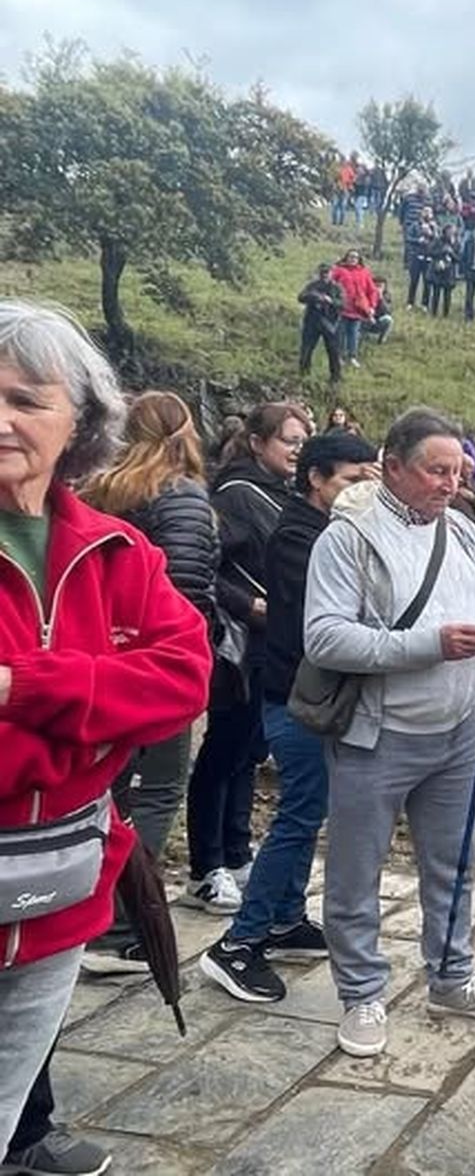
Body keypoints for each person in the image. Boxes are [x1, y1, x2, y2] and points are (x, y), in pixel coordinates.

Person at [0, 300, 211, 1147]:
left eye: (25, 400)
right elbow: (143, 694)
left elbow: (185, 676)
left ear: (79, 421)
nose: (1, 420)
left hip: (60, 893)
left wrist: (22, 689)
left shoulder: (119, 549)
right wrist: (100, 729)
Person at [302, 408, 475, 1059]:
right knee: (355, 870)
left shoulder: (465, 533)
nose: (450, 484)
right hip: (377, 736)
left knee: (452, 866)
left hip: (456, 733)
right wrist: (431, 644)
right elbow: (324, 637)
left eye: (458, 471)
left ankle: (452, 976)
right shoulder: (348, 539)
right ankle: (361, 992)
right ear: (393, 466)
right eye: (436, 470)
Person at [200, 431, 378, 1002]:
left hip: (311, 693)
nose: (362, 492)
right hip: (295, 695)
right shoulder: (301, 536)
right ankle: (239, 943)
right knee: (298, 815)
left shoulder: (323, 527)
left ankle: (284, 917)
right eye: (352, 480)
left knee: (309, 807)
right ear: (316, 478)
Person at [77, 391, 219, 972]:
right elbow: (186, 590)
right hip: (153, 671)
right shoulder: (180, 495)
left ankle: (82, 908)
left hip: (97, 664)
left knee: (104, 793)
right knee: (159, 790)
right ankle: (118, 927)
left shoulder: (95, 490)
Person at [187, 403, 311, 914]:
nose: (297, 451)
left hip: (271, 644)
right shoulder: (237, 495)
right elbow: (208, 565)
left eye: (303, 442)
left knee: (248, 751)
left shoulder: (284, 494)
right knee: (223, 750)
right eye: (288, 441)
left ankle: (236, 849)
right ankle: (205, 866)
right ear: (258, 442)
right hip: (240, 643)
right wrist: (247, 605)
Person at [330, 250, 379, 369]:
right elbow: (330, 285)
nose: (353, 259)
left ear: (359, 259)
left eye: (355, 257)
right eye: (351, 256)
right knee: (340, 333)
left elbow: (372, 291)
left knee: (353, 334)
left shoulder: (364, 272)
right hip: (342, 308)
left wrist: (372, 306)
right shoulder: (339, 270)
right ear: (346, 258)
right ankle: (339, 356)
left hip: (358, 309)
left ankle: (352, 357)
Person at [296, 263, 344, 382]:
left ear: (331, 273)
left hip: (330, 322)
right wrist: (314, 297)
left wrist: (330, 301)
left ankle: (335, 377)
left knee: (333, 351)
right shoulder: (312, 285)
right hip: (312, 321)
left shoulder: (336, 287)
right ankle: (304, 375)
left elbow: (343, 304)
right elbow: (301, 297)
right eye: (322, 272)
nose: (325, 275)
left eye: (327, 272)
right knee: (306, 349)